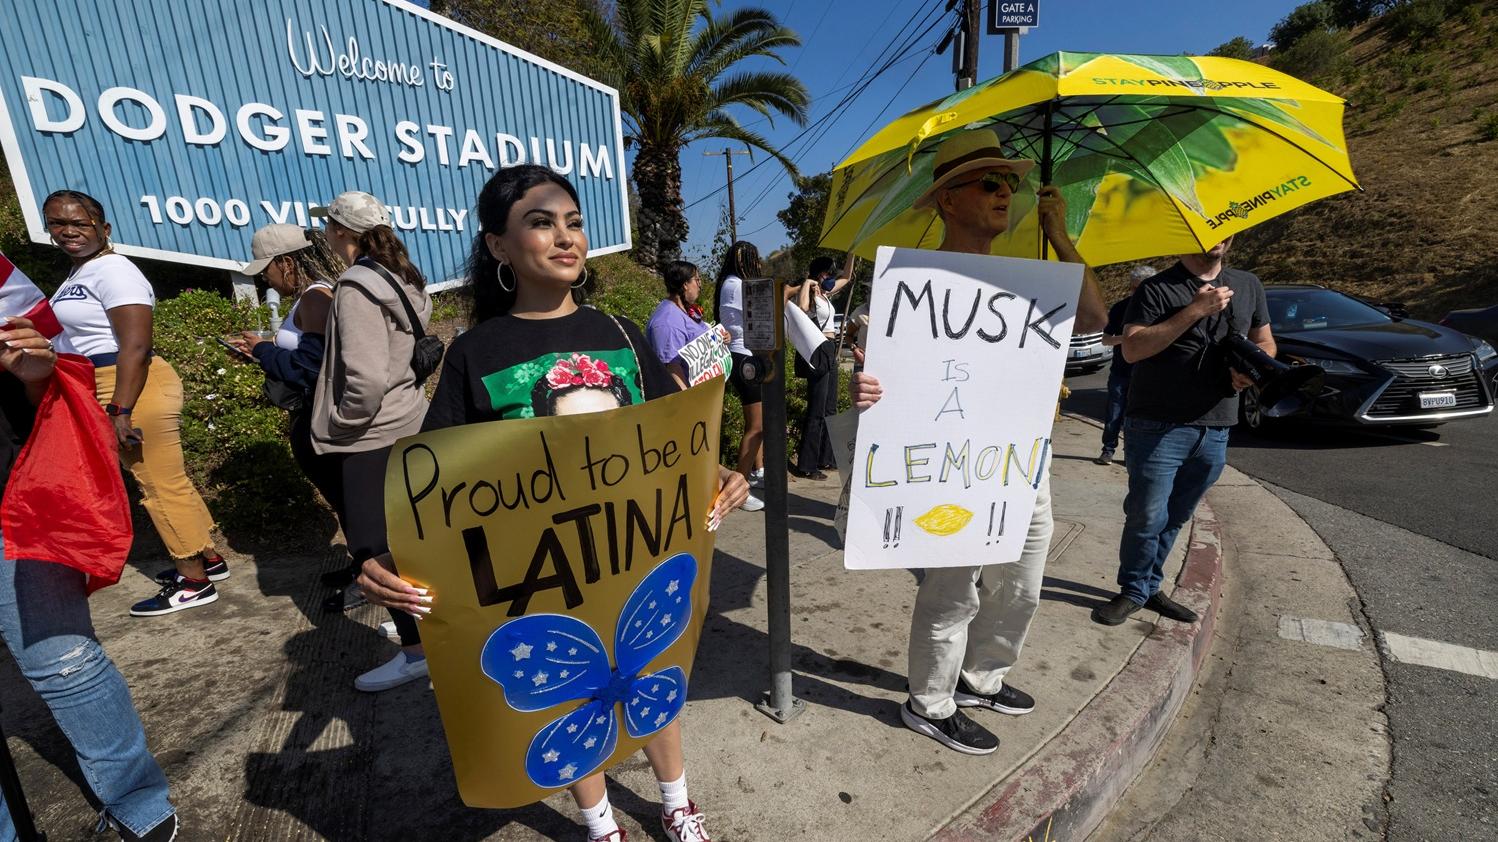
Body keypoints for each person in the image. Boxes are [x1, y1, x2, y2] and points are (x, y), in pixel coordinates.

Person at [356, 164, 748, 842]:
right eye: (541, 222)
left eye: (573, 222)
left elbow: (676, 439)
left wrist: (722, 477)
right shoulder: (476, 352)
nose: (566, 237)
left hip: (639, 553)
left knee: (653, 670)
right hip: (543, 571)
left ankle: (676, 801)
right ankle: (600, 824)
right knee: (573, 692)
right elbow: (431, 485)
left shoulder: (622, 333)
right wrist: (381, 558)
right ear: (499, 248)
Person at [850, 128, 1107, 754]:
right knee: (952, 587)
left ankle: (980, 677)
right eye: (990, 183)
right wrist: (866, 392)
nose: (1005, 194)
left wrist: (1061, 237)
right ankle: (929, 703)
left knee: (1023, 579)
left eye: (1011, 184)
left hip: (1023, 459)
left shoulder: (1030, 278)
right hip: (948, 463)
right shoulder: (910, 281)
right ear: (947, 199)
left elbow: (1098, 319)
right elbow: (884, 378)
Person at [0, 316, 179, 842]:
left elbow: (45, 382)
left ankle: (138, 804)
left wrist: (36, 373)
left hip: (13, 504)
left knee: (66, 662)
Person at [43, 190, 226, 618]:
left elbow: (136, 345)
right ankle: (208, 559)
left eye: (79, 223)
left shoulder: (114, 270)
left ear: (103, 229)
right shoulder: (82, 271)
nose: (68, 231)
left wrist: (120, 410)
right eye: (56, 223)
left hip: (129, 384)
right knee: (168, 479)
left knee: (158, 486)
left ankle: (194, 581)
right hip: (110, 382)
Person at [1092, 236, 1273, 627]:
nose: (1219, 234)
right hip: (1157, 425)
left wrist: (1253, 369)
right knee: (1146, 514)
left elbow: (1265, 342)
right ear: (1187, 233)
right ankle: (1134, 590)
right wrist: (1195, 310)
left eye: (1226, 225)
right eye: (1209, 225)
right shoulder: (1157, 289)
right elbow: (1133, 349)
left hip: (1218, 424)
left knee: (1177, 515)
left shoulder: (1248, 284)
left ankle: (1148, 585)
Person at [309, 191, 433, 691]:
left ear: (340, 231)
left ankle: (415, 652)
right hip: (412, 421)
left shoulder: (357, 286)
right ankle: (424, 629)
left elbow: (363, 379)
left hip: (370, 436)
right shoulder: (405, 277)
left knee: (375, 551)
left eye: (328, 228)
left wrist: (339, 422)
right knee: (415, 543)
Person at [220, 225, 344, 524]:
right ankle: (361, 563)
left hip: (318, 416)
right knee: (345, 502)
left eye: (267, 270)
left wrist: (263, 350)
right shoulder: (310, 297)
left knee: (346, 501)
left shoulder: (316, 298)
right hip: (313, 413)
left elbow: (309, 369)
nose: (266, 278)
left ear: (286, 263)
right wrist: (259, 352)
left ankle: (365, 564)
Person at [713, 242, 766, 511]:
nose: (757, 265)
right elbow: (761, 310)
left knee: (756, 421)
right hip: (743, 356)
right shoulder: (736, 285)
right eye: (754, 260)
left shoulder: (729, 283)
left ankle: (758, 470)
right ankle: (740, 486)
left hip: (742, 354)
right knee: (757, 425)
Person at [789, 255, 851, 480]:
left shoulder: (826, 294)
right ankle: (807, 464)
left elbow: (847, 277)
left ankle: (826, 457)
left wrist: (852, 250)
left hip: (831, 349)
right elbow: (802, 309)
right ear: (818, 274)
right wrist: (807, 284)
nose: (830, 277)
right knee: (816, 410)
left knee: (830, 408)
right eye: (827, 273)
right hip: (819, 349)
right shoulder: (811, 294)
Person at [1095, 264, 1158, 466]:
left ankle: (1132, 453)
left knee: (1140, 417)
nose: (1138, 293)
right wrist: (1128, 338)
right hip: (1121, 372)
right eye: (1134, 288)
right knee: (1115, 413)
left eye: (1143, 289)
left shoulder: (1161, 309)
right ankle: (1108, 450)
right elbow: (1105, 340)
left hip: (1148, 373)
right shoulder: (1121, 307)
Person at [644, 260, 710, 386]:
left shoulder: (684, 310)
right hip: (686, 400)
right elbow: (671, 367)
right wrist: (689, 402)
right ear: (685, 284)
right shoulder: (667, 321)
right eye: (697, 280)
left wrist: (721, 337)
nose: (700, 285)